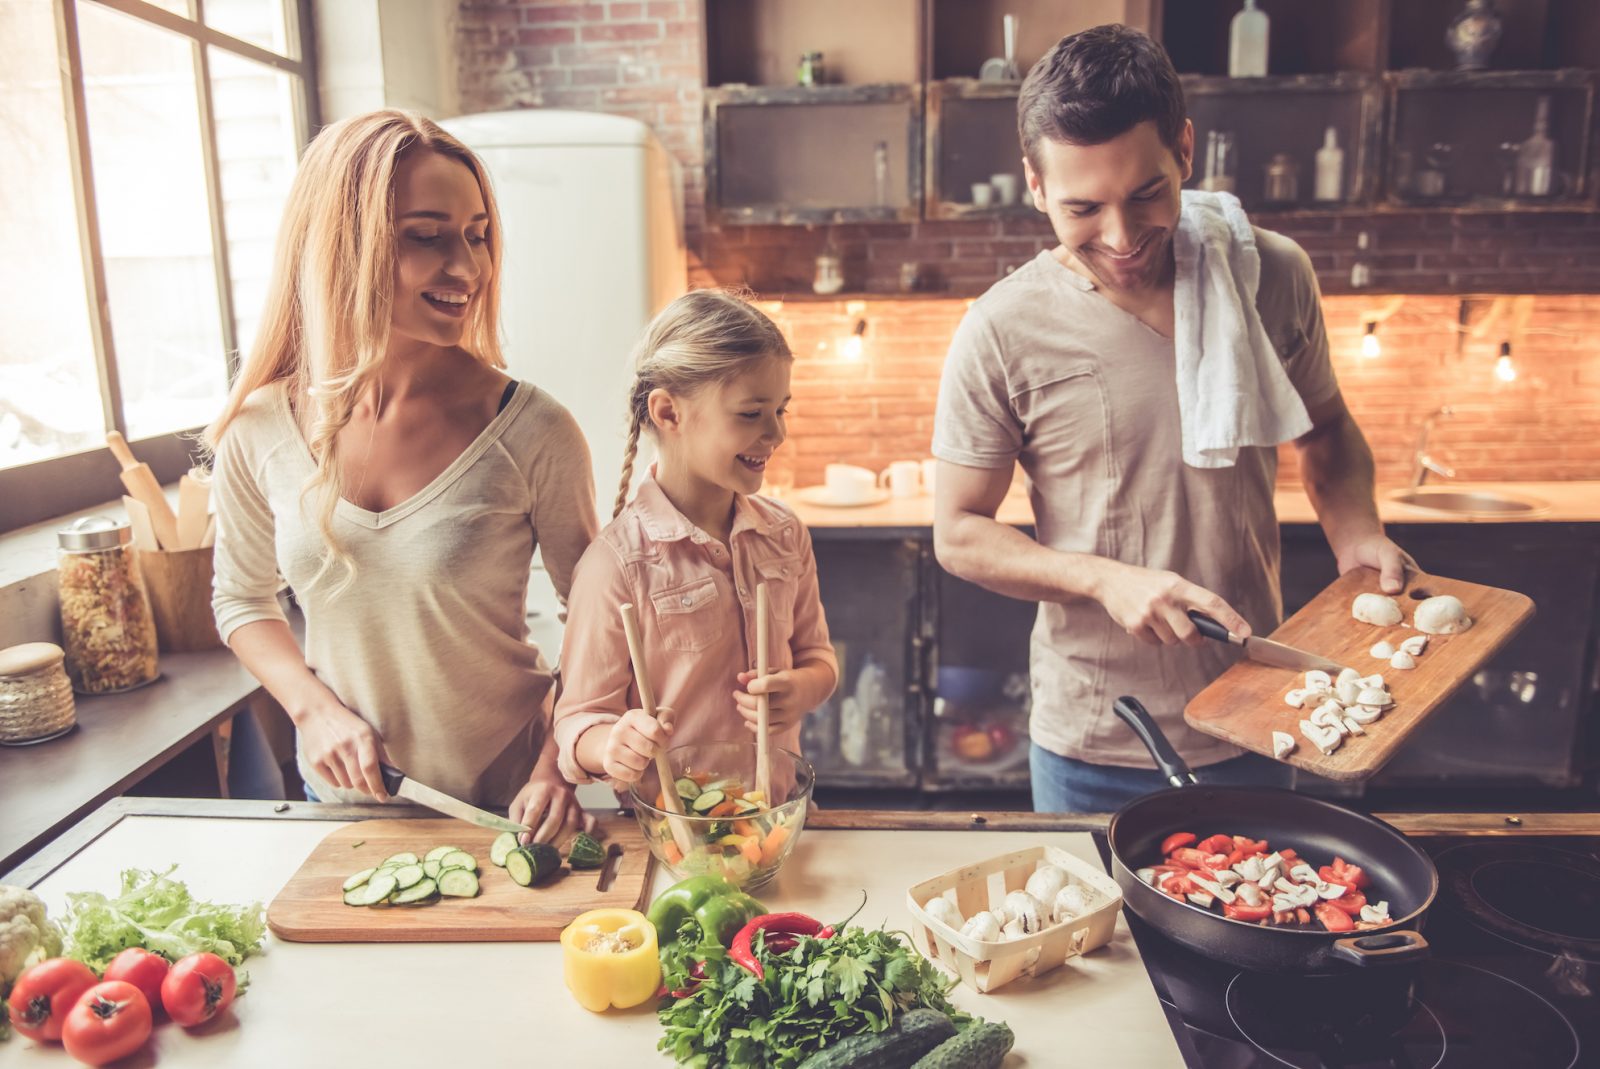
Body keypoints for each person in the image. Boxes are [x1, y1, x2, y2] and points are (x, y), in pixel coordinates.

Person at [931, 26, 1413, 813]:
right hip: (1093, 734)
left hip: (1261, 711)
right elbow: (958, 531)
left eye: (1147, 193)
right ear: (1035, 185)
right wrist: (1101, 578)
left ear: (1185, 149)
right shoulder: (1001, 327)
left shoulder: (1270, 273)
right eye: (1084, 207)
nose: (1122, 238)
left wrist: (1355, 533)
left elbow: (1323, 428)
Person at [208, 109, 597, 841]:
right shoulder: (258, 427)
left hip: (511, 802)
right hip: (345, 801)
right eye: (427, 237)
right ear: (342, 246)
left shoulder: (535, 429)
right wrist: (312, 708)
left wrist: (557, 765)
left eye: (478, 235)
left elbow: (599, 621)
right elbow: (241, 598)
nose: (470, 268)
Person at [553, 290, 837, 795]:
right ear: (668, 413)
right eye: (751, 414)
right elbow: (577, 722)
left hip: (775, 818)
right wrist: (611, 744)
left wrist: (802, 689)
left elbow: (819, 657)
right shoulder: (615, 565)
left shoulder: (785, 535)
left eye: (780, 410)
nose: (776, 433)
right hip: (674, 837)